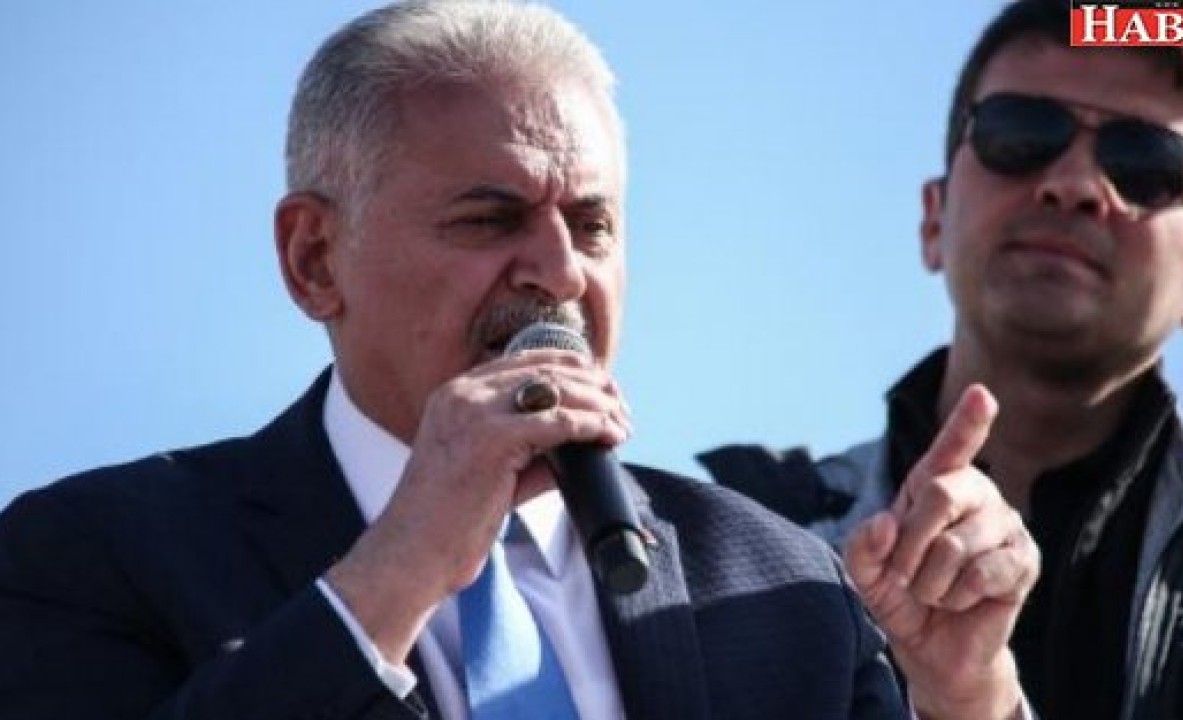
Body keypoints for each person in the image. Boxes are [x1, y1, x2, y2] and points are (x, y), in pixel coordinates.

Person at [0, 2, 1039, 719]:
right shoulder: (95, 554)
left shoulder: (784, 589)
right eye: (489, 218)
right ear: (314, 258)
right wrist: (396, 571)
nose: (556, 272)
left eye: (591, 226)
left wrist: (965, 695)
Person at [699, 1, 1183, 719]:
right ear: (933, 217)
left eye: (1145, 162)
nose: (1072, 183)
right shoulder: (737, 540)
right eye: (1021, 133)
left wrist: (975, 703)